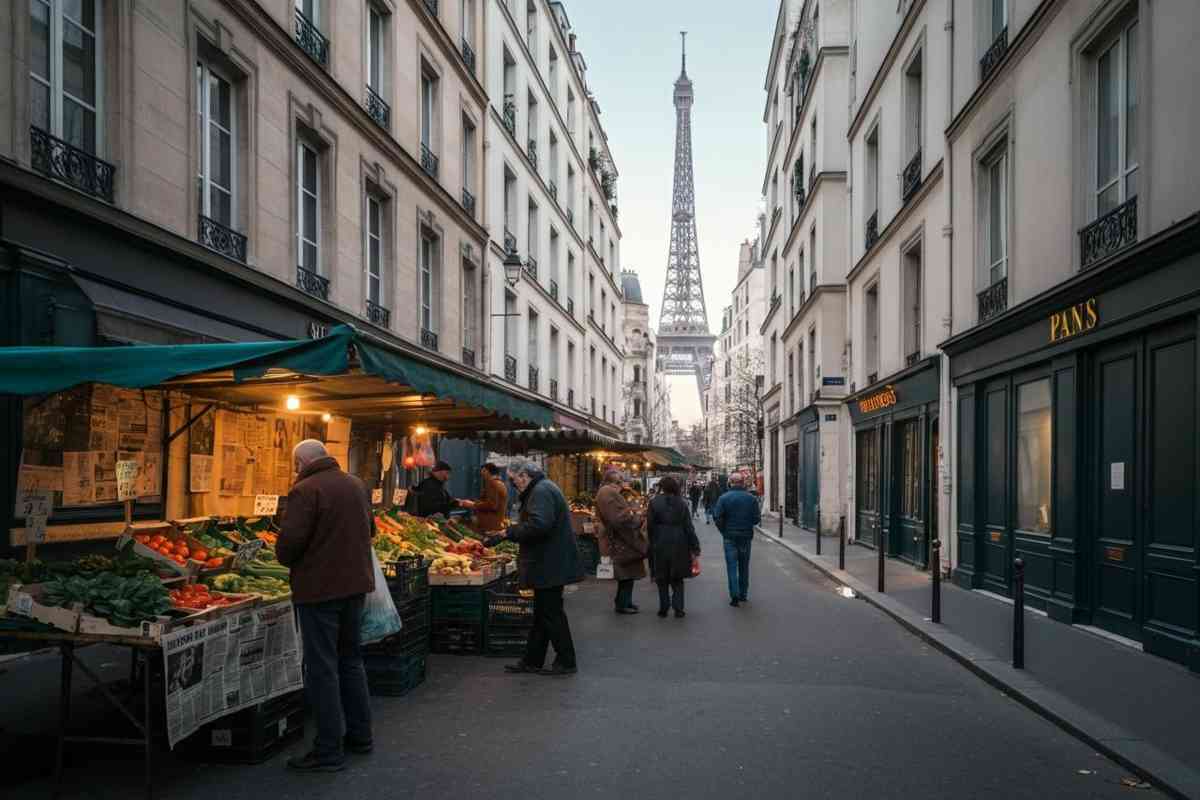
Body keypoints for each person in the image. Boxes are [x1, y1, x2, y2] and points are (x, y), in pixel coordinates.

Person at [276, 440, 375, 772]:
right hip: (355, 586)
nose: (295, 470)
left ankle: (328, 750)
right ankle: (361, 737)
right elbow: (371, 530)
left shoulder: (305, 490)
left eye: (295, 464)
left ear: (303, 462)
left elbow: (289, 546)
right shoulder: (356, 484)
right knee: (351, 661)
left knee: (322, 669)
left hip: (320, 590)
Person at [485, 462, 581, 676]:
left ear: (524, 475)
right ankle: (532, 660)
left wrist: (508, 533)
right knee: (543, 613)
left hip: (549, 562)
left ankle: (566, 661)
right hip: (550, 561)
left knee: (551, 613)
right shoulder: (543, 488)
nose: (513, 484)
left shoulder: (541, 491)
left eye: (513, 480)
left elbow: (540, 525)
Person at [646, 476, 701, 618]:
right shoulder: (682, 503)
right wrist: (695, 547)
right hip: (679, 541)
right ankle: (678, 608)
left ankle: (664, 607)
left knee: (661, 576)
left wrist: (651, 542)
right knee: (677, 577)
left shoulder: (654, 502)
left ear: (662, 487)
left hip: (660, 540)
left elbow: (650, 525)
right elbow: (688, 527)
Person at [594, 468, 646, 614]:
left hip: (621, 538)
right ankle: (622, 604)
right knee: (625, 574)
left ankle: (625, 601)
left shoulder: (610, 492)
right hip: (619, 540)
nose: (623, 482)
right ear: (613, 481)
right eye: (620, 479)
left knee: (628, 574)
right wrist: (633, 513)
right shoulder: (607, 492)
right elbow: (616, 519)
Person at [711, 472, 761, 607]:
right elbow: (756, 519)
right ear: (743, 483)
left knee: (732, 566)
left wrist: (724, 531)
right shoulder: (751, 498)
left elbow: (717, 517)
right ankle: (743, 594)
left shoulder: (723, 498)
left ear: (730, 483)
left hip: (729, 536)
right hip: (745, 536)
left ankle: (734, 595)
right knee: (744, 566)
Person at [471, 463, 509, 532]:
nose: (482, 474)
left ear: (487, 471)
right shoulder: (498, 483)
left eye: (483, 471)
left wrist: (473, 505)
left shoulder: (493, 483)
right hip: (493, 524)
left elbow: (492, 505)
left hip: (491, 526)